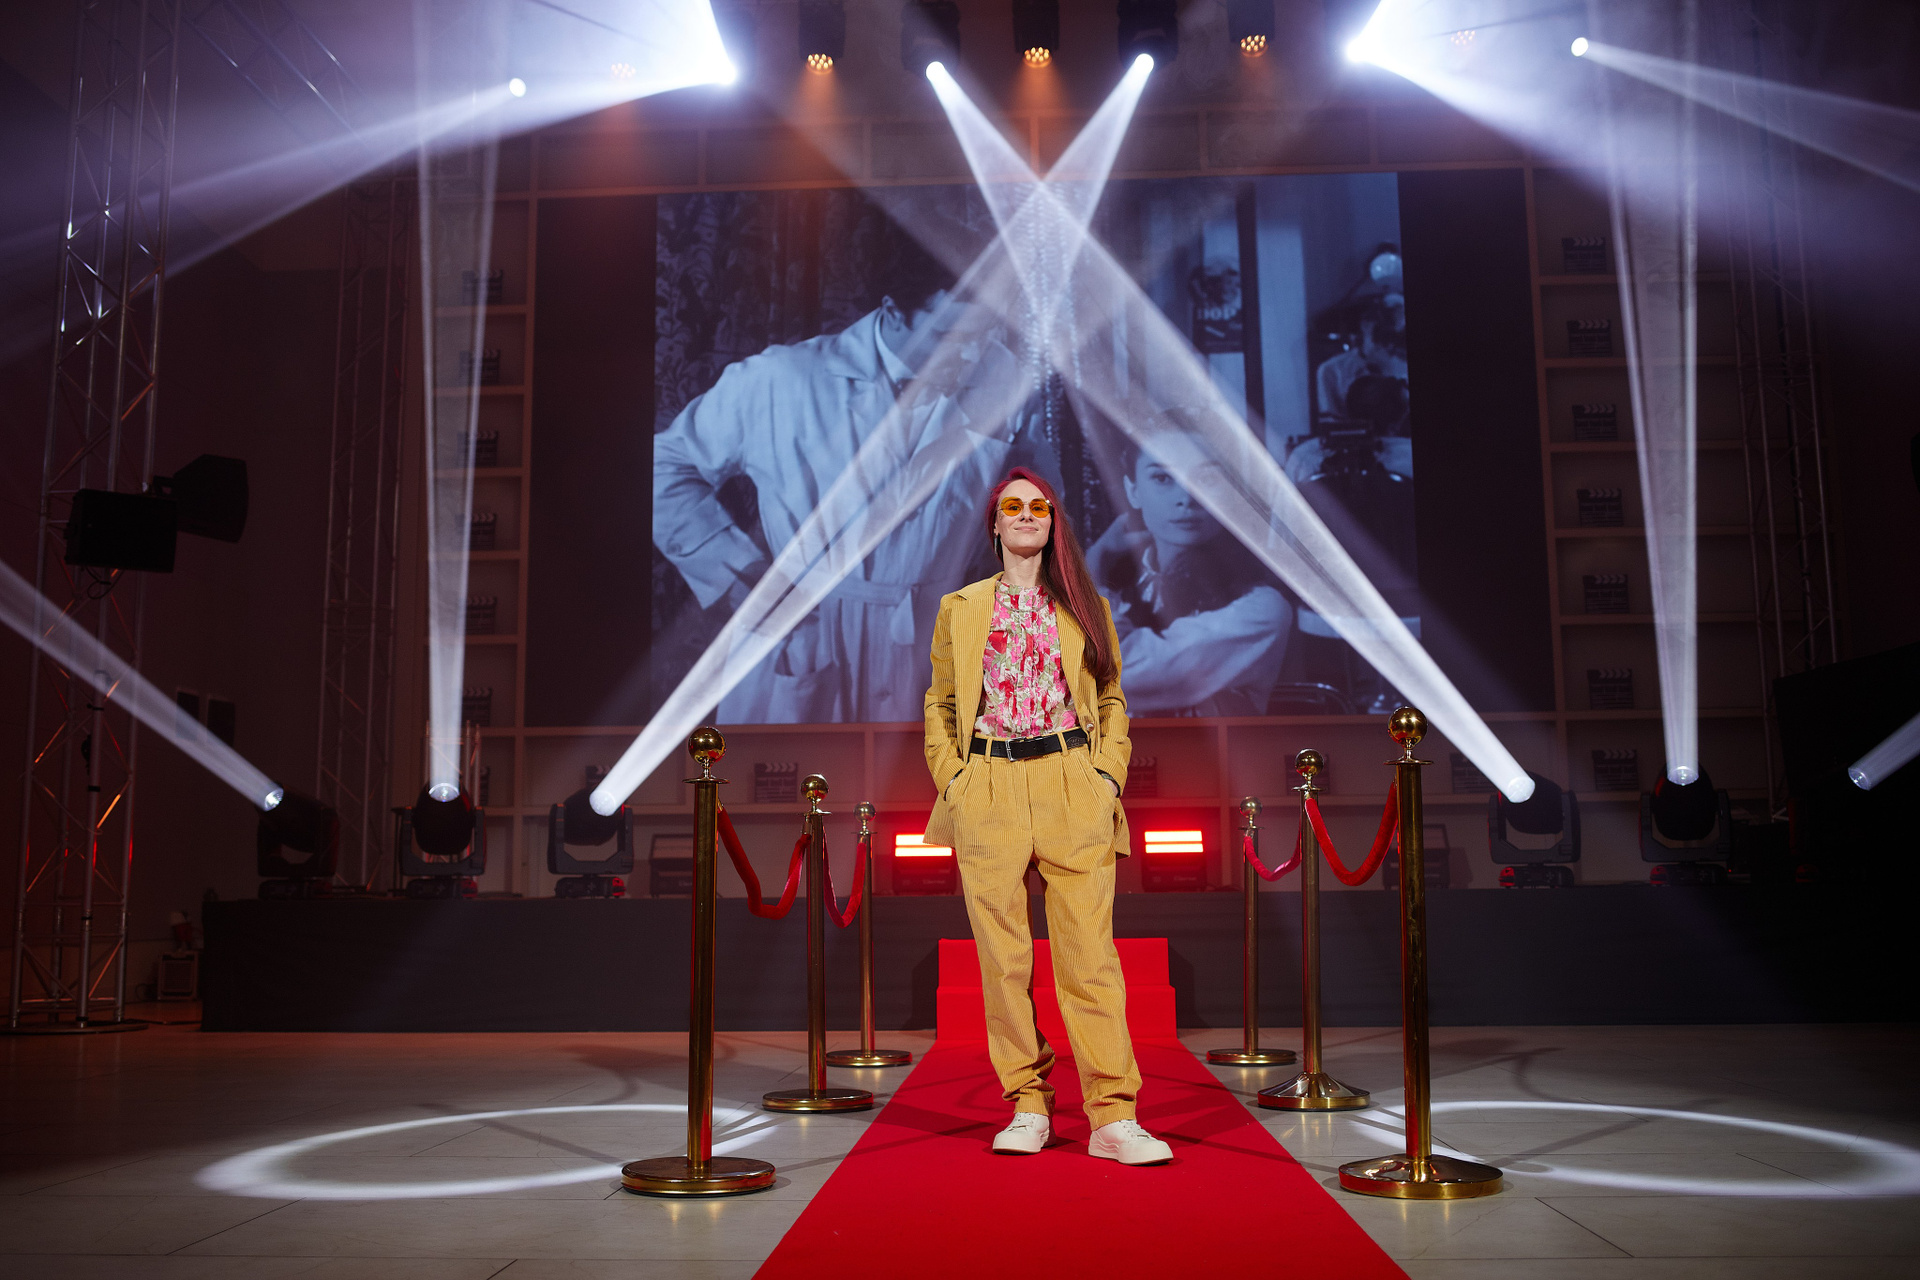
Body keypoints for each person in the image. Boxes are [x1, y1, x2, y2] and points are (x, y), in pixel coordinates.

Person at [921, 467, 1172, 1166]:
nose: (1027, 514)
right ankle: (1027, 1105)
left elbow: (1112, 696)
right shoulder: (959, 607)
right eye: (1013, 506)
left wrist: (1106, 775)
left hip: (1071, 781)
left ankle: (1113, 1118)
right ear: (995, 524)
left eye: (1039, 506)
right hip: (988, 783)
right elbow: (941, 702)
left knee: (1090, 958)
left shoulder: (1086, 604)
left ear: (1053, 522)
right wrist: (955, 780)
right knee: (1002, 962)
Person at [653, 248, 1017, 723]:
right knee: (797, 768)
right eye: (950, 338)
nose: (970, 356)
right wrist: (737, 575)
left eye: (981, 336)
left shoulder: (1002, 380)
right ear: (892, 313)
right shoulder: (782, 381)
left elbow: (1032, 497)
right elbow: (665, 465)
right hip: (806, 637)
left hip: (931, 651)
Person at [1086, 433, 1292, 715]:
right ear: (1133, 491)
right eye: (1162, 478)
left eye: (1207, 480)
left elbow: (1119, 674)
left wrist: (1092, 568)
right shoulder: (1120, 589)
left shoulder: (1260, 607)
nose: (1186, 499)